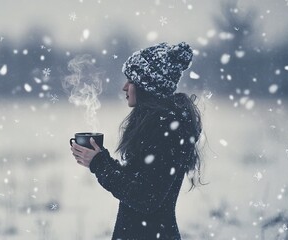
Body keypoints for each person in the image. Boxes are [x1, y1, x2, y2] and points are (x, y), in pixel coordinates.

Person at [70, 42, 203, 240]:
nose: (124, 87)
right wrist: (100, 158)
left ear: (146, 86)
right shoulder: (156, 125)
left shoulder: (165, 129)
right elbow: (139, 181)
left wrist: (99, 164)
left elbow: (146, 198)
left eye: (130, 80)